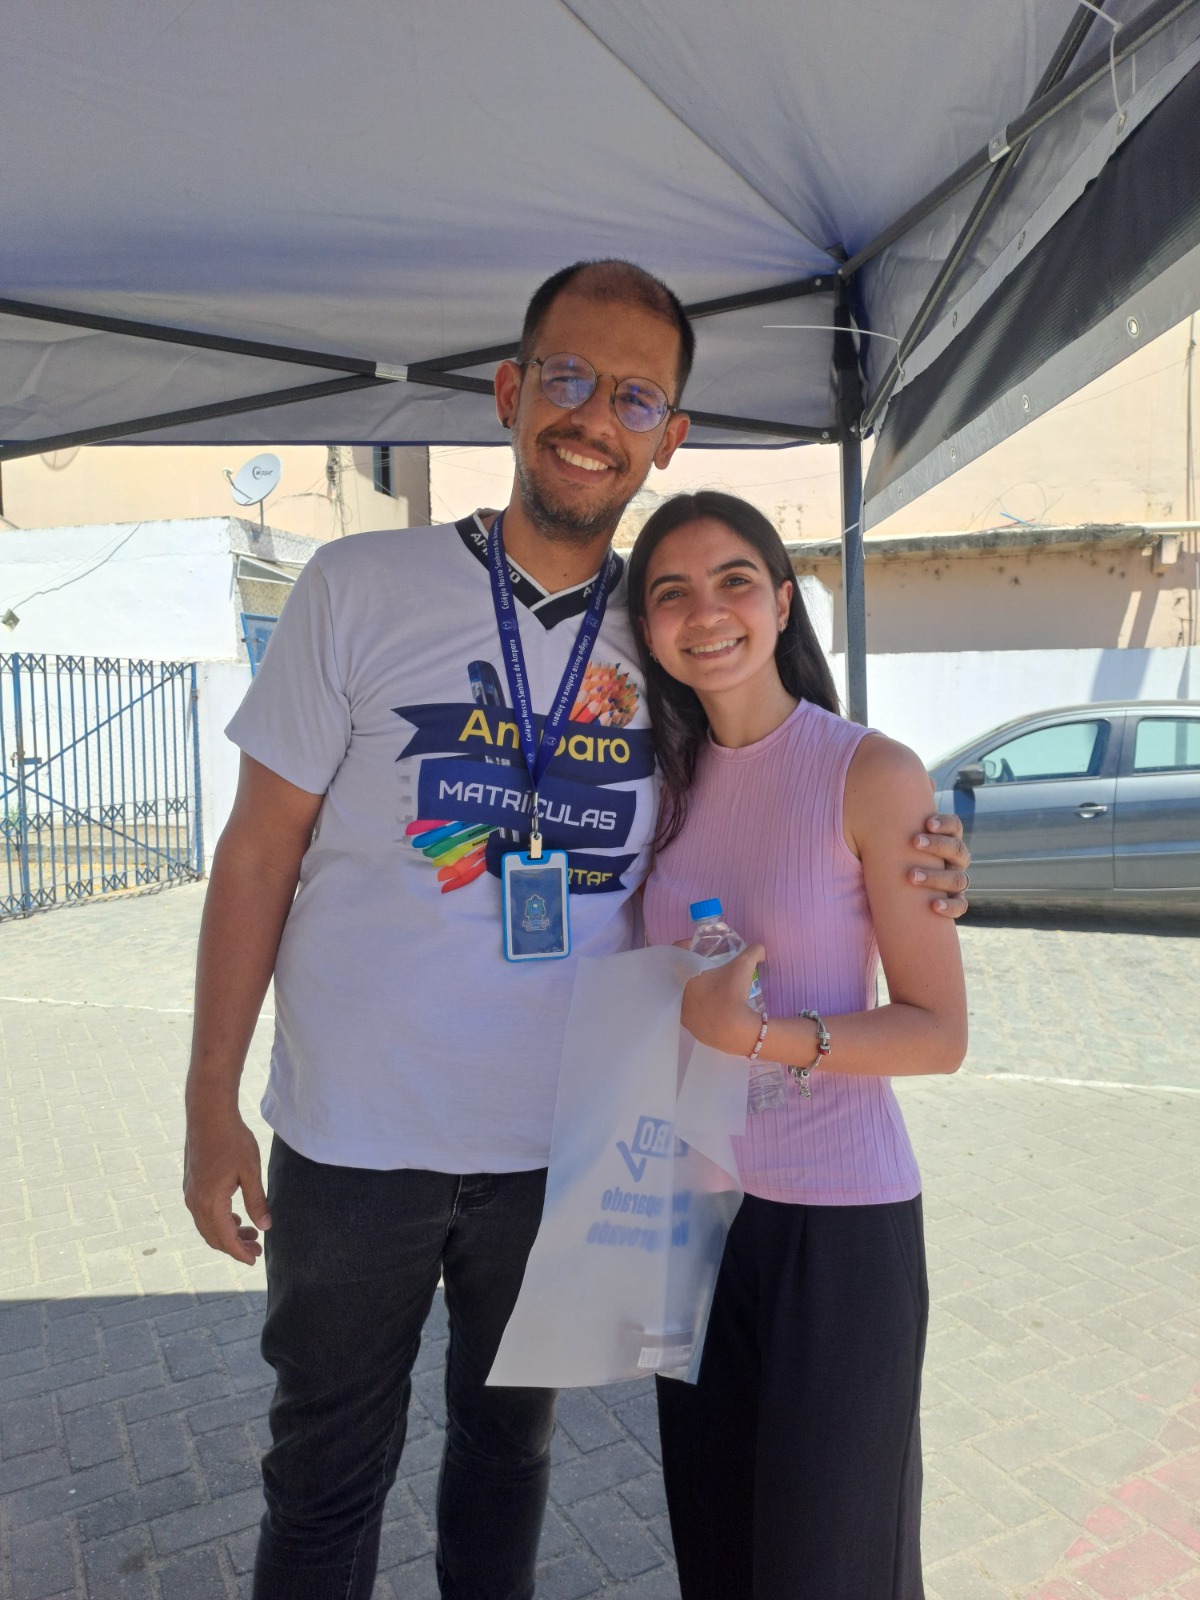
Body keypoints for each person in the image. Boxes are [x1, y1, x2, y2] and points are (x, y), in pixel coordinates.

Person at [182, 261, 971, 1600]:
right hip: (354, 1141)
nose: (594, 415)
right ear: (509, 391)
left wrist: (928, 853)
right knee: (323, 1476)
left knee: (509, 1462)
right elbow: (256, 854)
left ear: (670, 435)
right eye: (566, 376)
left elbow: (786, 784)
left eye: (635, 396)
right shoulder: (358, 584)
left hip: (564, 1150)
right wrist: (210, 1099)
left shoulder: (667, 630)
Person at [629, 490, 969, 1600]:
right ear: (647, 629)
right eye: (670, 592)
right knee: (718, 1557)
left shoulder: (871, 772)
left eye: (734, 580)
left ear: (782, 602)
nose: (705, 611)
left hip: (841, 1229)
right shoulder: (657, 788)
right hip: (695, 1220)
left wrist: (762, 1038)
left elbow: (939, 1031)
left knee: (833, 1571)